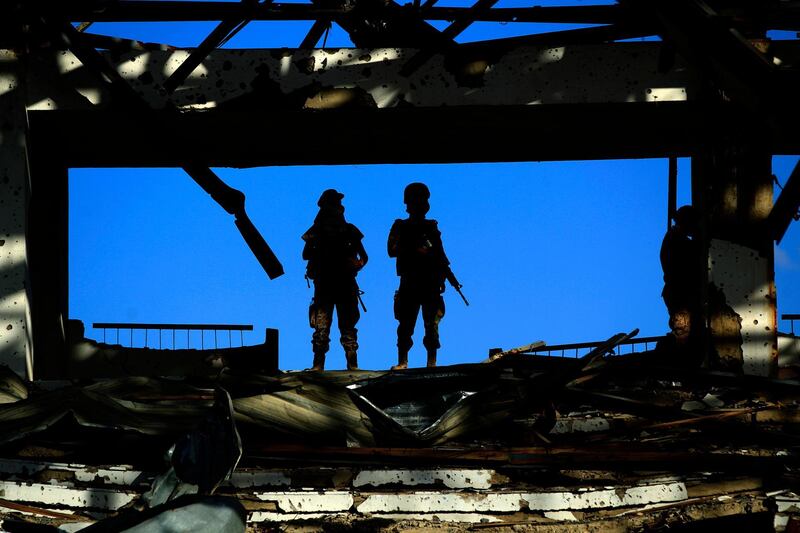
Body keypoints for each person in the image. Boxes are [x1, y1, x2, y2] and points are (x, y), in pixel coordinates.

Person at [388, 182, 452, 370]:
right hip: (410, 280)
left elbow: (440, 254)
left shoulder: (431, 227)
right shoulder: (401, 226)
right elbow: (392, 250)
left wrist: (443, 276)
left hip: (430, 281)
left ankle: (431, 362)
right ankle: (403, 361)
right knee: (406, 323)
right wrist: (416, 250)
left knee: (431, 324)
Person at [302, 189, 368, 371]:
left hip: (339, 283)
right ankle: (323, 363)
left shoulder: (347, 230)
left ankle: (347, 363)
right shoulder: (320, 231)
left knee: (342, 325)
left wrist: (354, 265)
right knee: (326, 326)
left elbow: (364, 257)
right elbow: (306, 254)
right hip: (327, 283)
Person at [659, 205, 703, 359]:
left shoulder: (674, 238)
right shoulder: (677, 240)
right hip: (680, 293)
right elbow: (692, 255)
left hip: (677, 292)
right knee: (685, 334)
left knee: (685, 332)